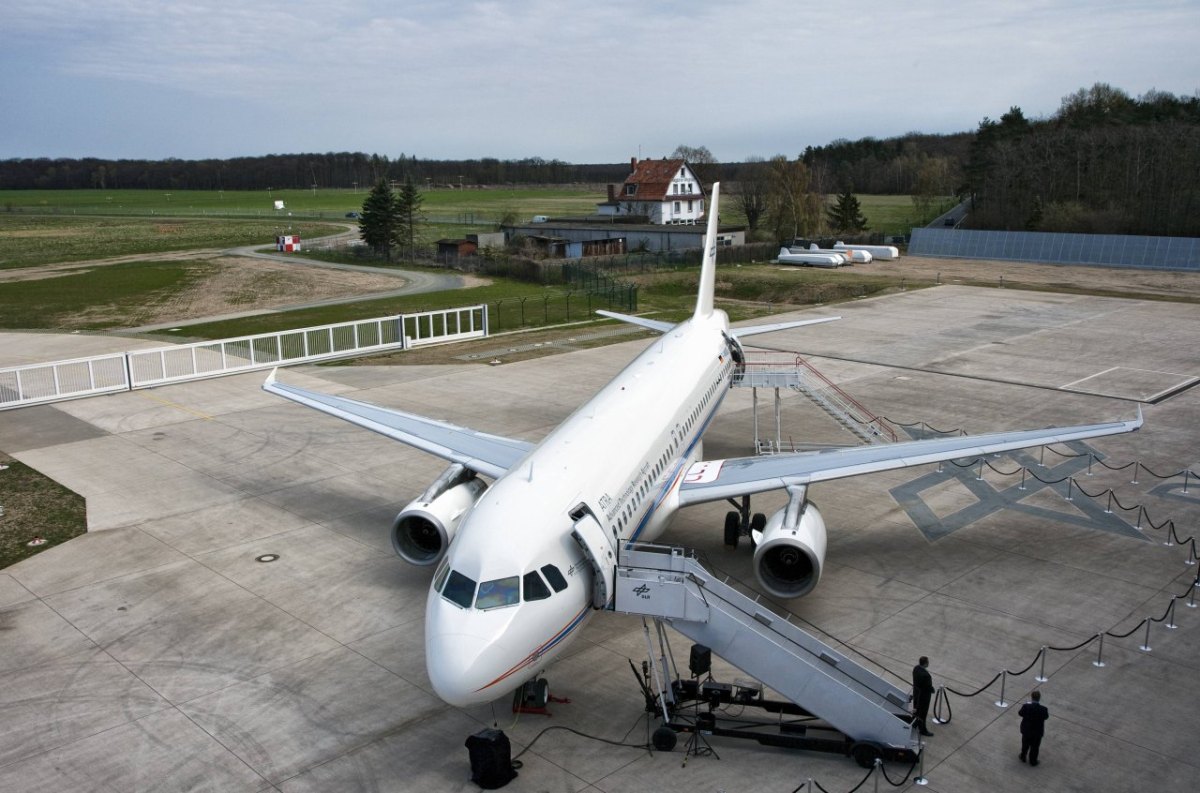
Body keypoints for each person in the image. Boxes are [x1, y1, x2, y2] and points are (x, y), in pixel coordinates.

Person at [1018, 690, 1049, 766]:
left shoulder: (1026, 706)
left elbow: (1020, 713)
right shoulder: (1043, 709)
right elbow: (1046, 717)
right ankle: (1033, 761)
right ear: (1039, 698)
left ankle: (1023, 756)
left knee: (1025, 744)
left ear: (1032, 697)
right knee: (1035, 747)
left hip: (1027, 730)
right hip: (1037, 732)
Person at [912, 656, 935, 736]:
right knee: (922, 714)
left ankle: (914, 723)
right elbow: (927, 687)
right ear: (925, 663)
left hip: (916, 694)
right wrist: (932, 689)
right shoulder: (926, 676)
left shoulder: (916, 668)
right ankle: (923, 730)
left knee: (916, 710)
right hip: (923, 698)